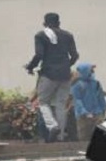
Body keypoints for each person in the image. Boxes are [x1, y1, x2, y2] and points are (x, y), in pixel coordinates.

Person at [24, 12, 79, 142]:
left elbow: (39, 55)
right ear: (59, 23)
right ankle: (60, 136)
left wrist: (30, 67)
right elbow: (75, 55)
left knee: (43, 102)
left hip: (48, 74)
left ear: (45, 23)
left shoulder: (41, 35)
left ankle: (52, 126)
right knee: (61, 104)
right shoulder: (68, 35)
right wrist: (66, 65)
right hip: (65, 75)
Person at [70, 63, 106, 142]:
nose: (92, 73)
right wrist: (85, 112)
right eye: (91, 71)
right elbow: (77, 100)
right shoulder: (77, 85)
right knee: (84, 137)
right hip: (83, 116)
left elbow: (101, 98)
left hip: (97, 113)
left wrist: (104, 109)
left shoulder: (96, 83)